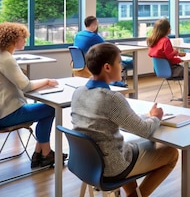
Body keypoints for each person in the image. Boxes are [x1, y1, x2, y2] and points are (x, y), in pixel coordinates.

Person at [71, 43, 178, 197]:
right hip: (112, 167)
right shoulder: (111, 98)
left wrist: (142, 118)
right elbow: (145, 131)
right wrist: (156, 117)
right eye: (119, 62)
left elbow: (110, 121)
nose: (121, 66)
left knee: (130, 146)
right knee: (171, 153)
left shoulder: (78, 92)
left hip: (87, 163)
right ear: (107, 67)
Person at [0, 22, 63, 169]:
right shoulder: (6, 59)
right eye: (23, 38)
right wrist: (46, 81)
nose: (25, 41)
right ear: (13, 40)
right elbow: (26, 86)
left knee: (45, 109)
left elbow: (22, 84)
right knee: (51, 109)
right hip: (8, 115)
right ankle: (45, 153)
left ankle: (40, 153)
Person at [147, 18, 190, 103]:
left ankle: (187, 96)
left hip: (159, 70)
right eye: (169, 27)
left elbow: (162, 55)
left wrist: (176, 55)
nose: (170, 29)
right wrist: (176, 53)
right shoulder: (165, 40)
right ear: (166, 29)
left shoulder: (153, 41)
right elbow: (169, 56)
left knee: (189, 71)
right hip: (171, 69)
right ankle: (187, 96)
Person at [73, 15, 129, 87]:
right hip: (88, 66)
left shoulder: (78, 34)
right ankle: (119, 85)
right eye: (96, 24)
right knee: (116, 62)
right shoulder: (94, 37)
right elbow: (107, 48)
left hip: (77, 65)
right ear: (93, 25)